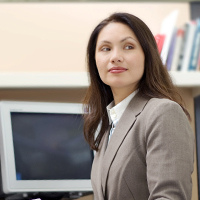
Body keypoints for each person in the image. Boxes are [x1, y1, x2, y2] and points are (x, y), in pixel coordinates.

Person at [83, 12, 194, 200]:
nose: (115, 57)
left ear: (147, 55)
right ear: (94, 60)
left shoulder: (163, 113)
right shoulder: (109, 123)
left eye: (128, 46)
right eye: (105, 48)